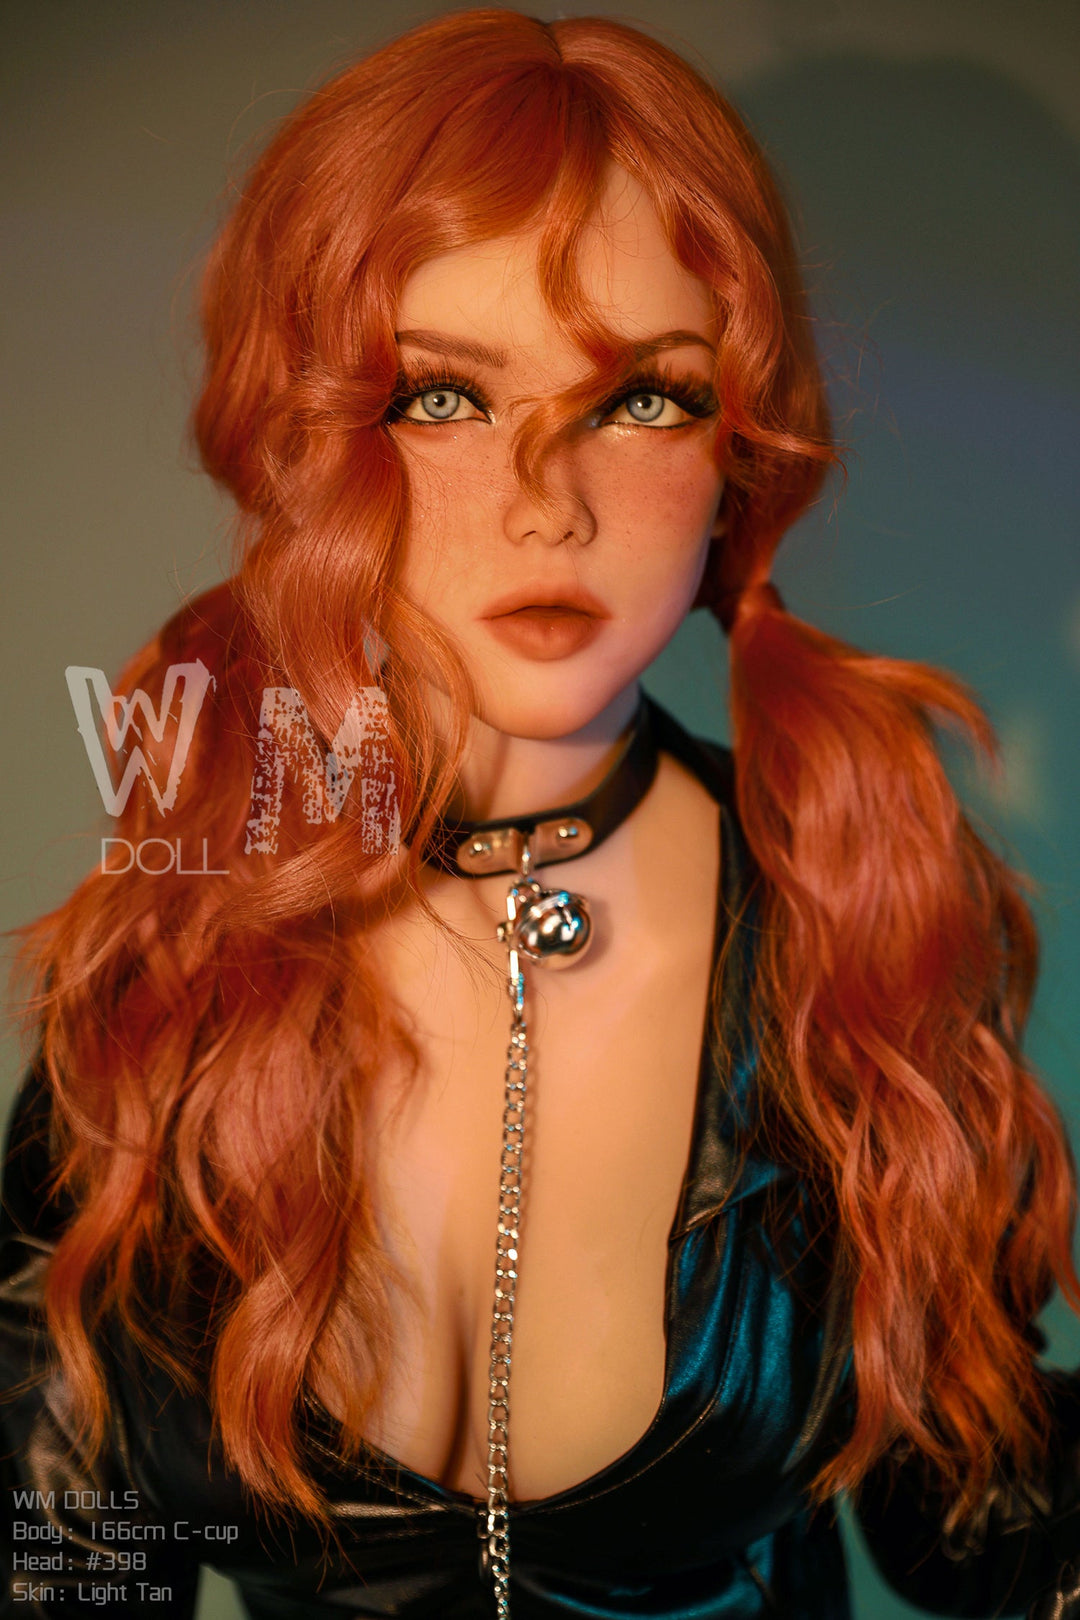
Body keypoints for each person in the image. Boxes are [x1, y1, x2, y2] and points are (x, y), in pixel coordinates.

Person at [2, 10, 1079, 1617]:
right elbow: (74, 1548)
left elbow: (979, 1521)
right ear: (308, 434)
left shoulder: (856, 925)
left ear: (738, 447)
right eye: (443, 396)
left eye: (643, 399)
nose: (546, 502)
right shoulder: (179, 943)